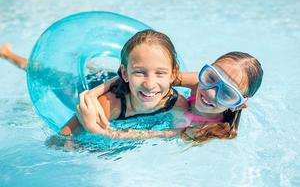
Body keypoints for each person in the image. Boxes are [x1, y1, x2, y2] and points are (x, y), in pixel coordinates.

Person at [0, 29, 189, 136]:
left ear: (173, 74)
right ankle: (7, 53)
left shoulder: (175, 102)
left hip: (113, 81)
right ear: (125, 72)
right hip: (84, 87)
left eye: (160, 73)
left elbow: (181, 132)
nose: (150, 84)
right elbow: (64, 136)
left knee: (101, 73)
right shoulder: (108, 105)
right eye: (140, 72)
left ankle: (92, 65)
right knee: (44, 73)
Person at [77, 51, 263, 144]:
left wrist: (96, 130)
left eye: (228, 94)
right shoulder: (201, 82)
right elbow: (154, 78)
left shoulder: (202, 130)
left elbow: (147, 137)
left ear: (239, 104)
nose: (210, 92)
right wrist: (93, 93)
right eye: (211, 77)